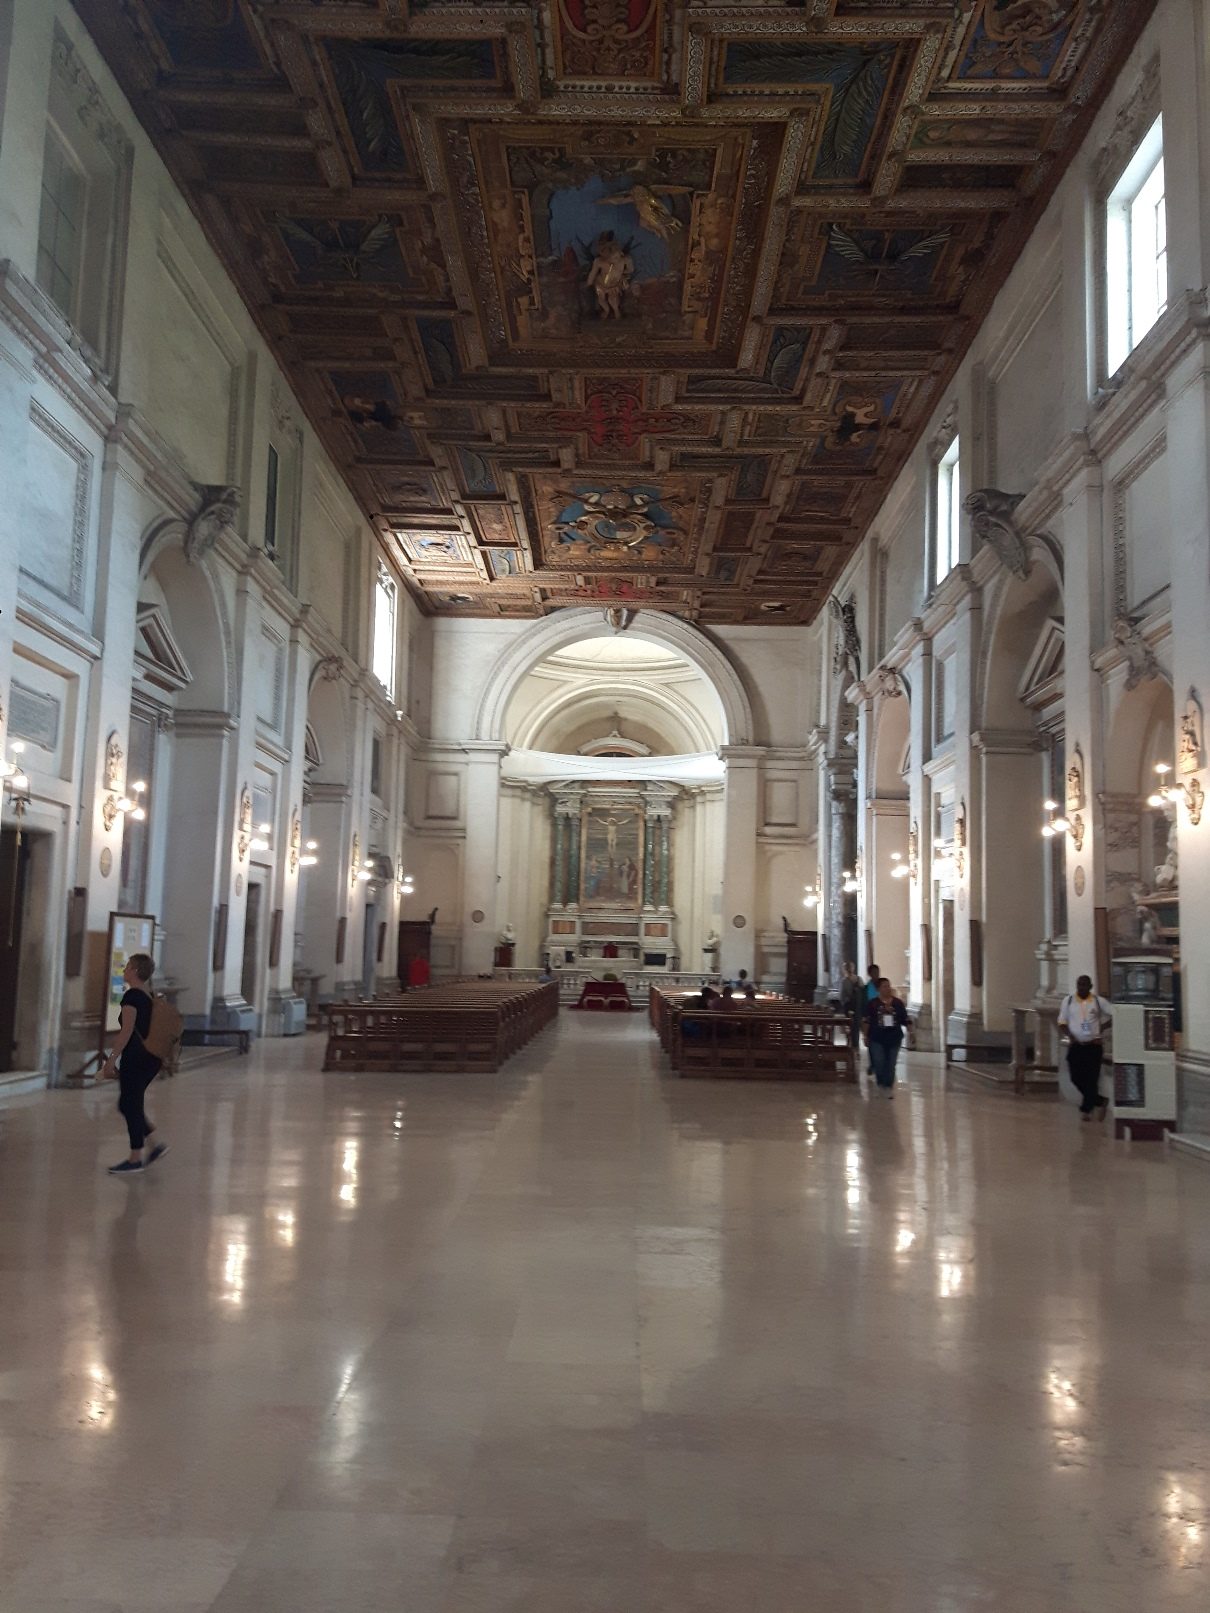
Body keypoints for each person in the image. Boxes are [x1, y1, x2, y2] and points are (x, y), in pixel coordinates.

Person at [101, 953, 168, 1173]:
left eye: (128, 967)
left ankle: (135, 1158)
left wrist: (111, 1060)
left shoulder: (132, 997)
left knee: (131, 1104)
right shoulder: (147, 994)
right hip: (149, 1058)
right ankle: (154, 1145)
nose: (124, 971)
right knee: (128, 1104)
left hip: (137, 1058)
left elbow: (127, 1031)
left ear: (136, 971)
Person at [1058, 975, 1113, 1121]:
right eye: (1079, 984)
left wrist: (1103, 1026)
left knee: (1091, 1079)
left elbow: (1116, 1013)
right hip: (1076, 1045)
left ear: (1090, 986)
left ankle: (1086, 1111)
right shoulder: (1068, 1001)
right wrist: (1070, 1035)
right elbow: (1062, 1022)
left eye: (1084, 985)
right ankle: (1100, 1101)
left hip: (1093, 1046)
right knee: (1076, 1077)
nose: (1081, 987)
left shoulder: (1098, 1001)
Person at [863, 977, 909, 1097]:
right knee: (879, 1061)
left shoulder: (897, 1003)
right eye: (884, 986)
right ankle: (881, 1082)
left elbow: (905, 1019)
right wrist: (865, 1035)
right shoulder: (872, 1004)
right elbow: (867, 1021)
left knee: (891, 1062)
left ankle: (888, 1084)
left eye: (888, 986)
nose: (887, 988)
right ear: (878, 989)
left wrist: (912, 1032)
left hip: (894, 1037)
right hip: (877, 1037)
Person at [839, 961, 862, 1047]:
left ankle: (851, 1042)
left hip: (851, 1006)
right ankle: (853, 1042)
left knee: (851, 1025)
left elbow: (841, 996)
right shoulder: (857, 979)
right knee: (853, 1025)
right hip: (853, 1006)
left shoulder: (845, 981)